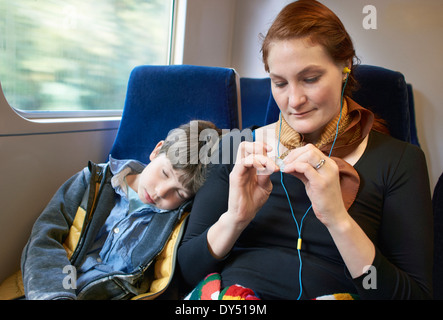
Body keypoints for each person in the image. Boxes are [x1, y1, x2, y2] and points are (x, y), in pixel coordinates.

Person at [178, 0, 433, 300]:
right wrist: (235, 218)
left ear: (345, 68)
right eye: (280, 83)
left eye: (310, 79)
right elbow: (188, 273)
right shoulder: (237, 148)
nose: (294, 100)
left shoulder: (399, 161)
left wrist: (338, 219)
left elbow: (413, 296)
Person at [21, 120, 221, 300]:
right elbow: (44, 239)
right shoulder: (92, 181)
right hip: (49, 289)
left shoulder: (174, 227)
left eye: (179, 193)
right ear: (157, 150)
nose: (161, 192)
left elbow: (159, 287)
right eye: (164, 173)